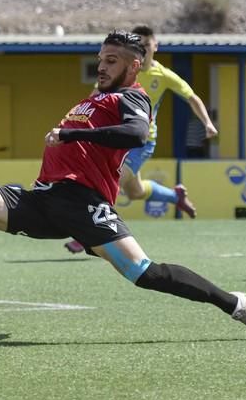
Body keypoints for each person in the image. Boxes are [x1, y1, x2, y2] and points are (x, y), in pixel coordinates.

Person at [0, 30, 246, 341]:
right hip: (42, 200)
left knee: (143, 273)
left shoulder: (132, 97)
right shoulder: (95, 99)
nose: (102, 66)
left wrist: (70, 134)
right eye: (101, 59)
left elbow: (136, 133)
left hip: (84, 203)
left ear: (133, 65)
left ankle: (234, 304)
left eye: (111, 60)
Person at [64, 25, 219, 254]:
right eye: (140, 46)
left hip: (141, 142)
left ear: (155, 46)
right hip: (118, 137)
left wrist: (207, 122)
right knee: (135, 191)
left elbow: (192, 97)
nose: (144, 50)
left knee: (113, 181)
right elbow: (94, 96)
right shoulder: (121, 71)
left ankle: (89, 233)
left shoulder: (163, 75)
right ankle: (174, 195)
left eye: (148, 45)